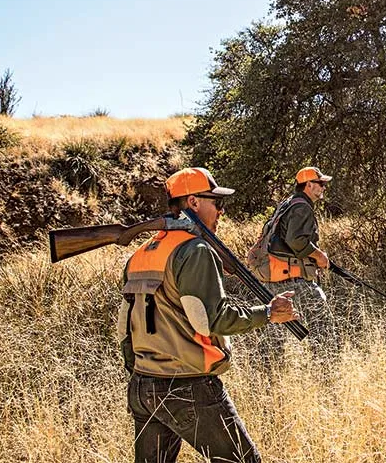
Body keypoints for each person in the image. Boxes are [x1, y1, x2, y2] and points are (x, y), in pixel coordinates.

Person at [120, 167, 298, 463]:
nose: (221, 211)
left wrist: (139, 372)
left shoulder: (140, 253)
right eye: (216, 203)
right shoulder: (195, 250)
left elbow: (125, 328)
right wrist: (268, 313)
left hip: (143, 385)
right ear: (192, 202)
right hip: (188, 386)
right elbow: (211, 320)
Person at [249, 166, 333, 344]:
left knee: (275, 334)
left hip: (275, 278)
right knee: (323, 327)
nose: (324, 187)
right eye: (321, 183)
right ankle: (326, 367)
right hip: (294, 279)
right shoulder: (302, 207)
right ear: (309, 185)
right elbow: (296, 241)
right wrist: (320, 257)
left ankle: (269, 369)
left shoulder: (289, 203)